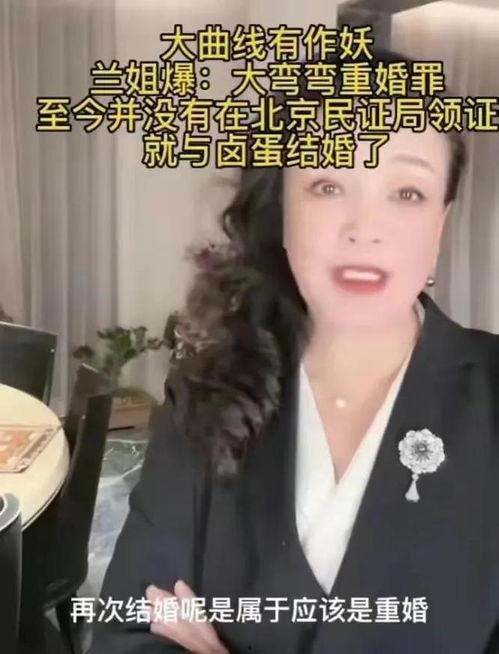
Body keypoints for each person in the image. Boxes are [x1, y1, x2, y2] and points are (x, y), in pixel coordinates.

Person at [89, 47, 499, 653]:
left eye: (407, 192)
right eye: (328, 184)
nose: (364, 228)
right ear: (283, 211)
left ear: (440, 221)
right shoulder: (209, 387)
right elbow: (128, 632)